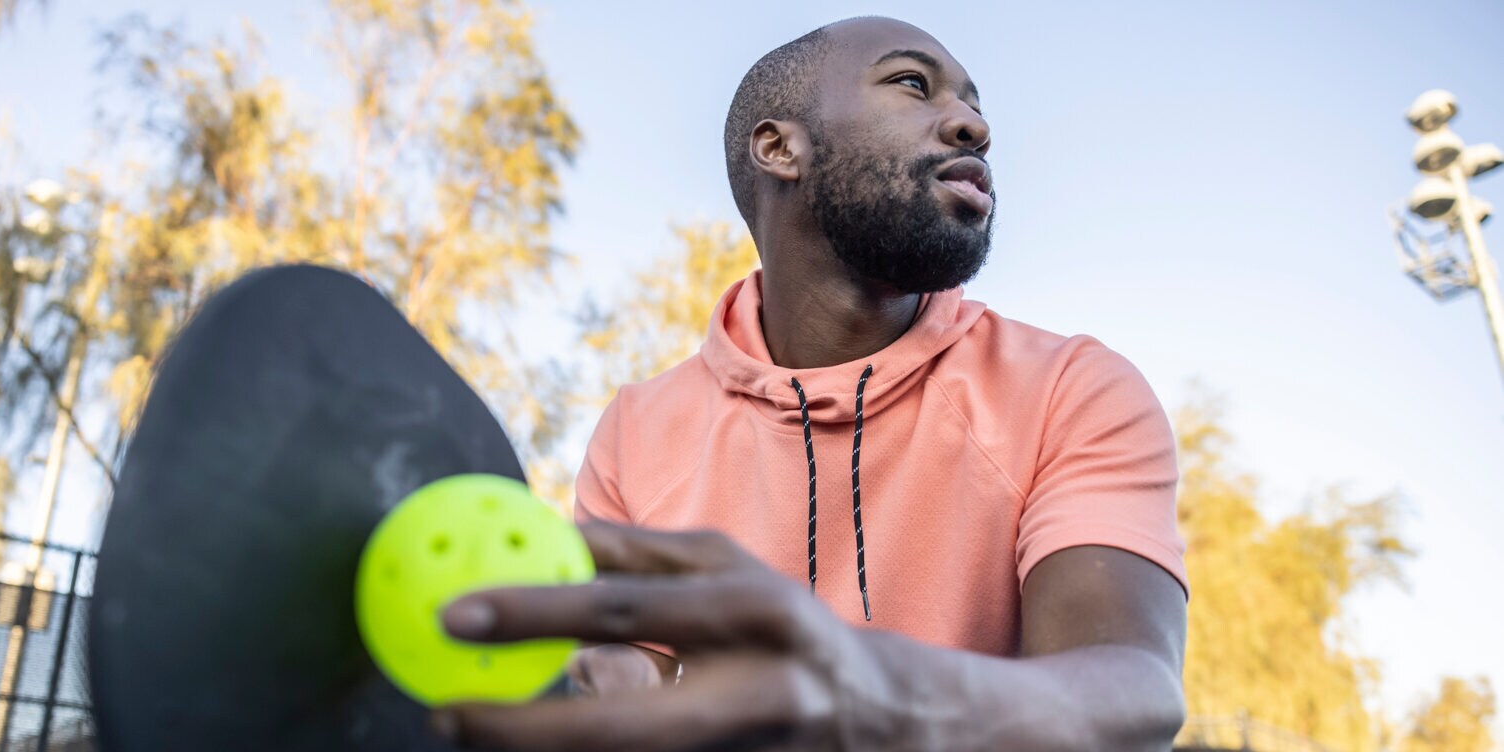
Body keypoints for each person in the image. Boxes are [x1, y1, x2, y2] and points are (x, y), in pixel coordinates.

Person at [430, 15, 1188, 751]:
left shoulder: (1074, 388)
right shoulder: (636, 430)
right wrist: (609, 680)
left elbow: (1132, 693)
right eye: (913, 85)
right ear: (779, 148)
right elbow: (635, 674)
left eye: (974, 104)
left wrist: (879, 694)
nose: (972, 126)